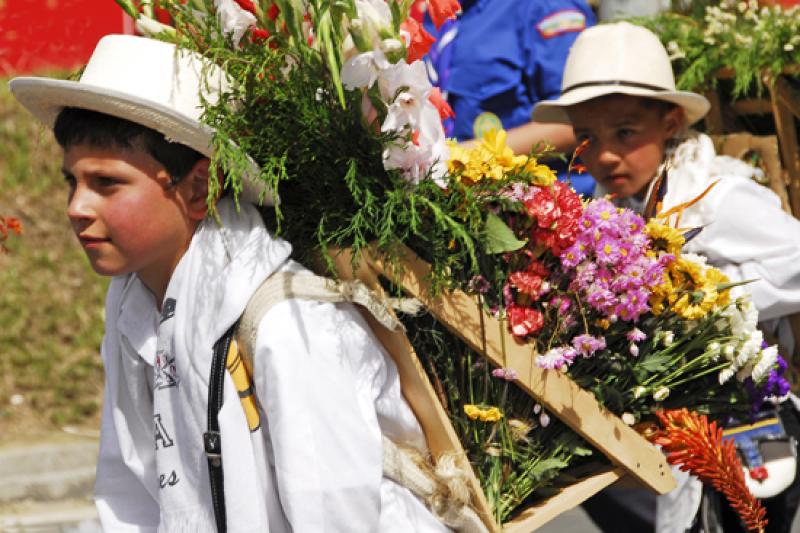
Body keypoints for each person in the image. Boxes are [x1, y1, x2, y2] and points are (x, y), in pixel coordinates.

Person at [9, 34, 453, 532]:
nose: (77, 208)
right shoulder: (133, 306)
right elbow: (129, 489)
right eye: (73, 181)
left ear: (198, 188)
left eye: (107, 183)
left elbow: (335, 513)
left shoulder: (289, 324)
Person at [533, 21, 800, 533]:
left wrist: (703, 299)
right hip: (693, 442)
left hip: (756, 426)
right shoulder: (627, 210)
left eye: (625, 132)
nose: (604, 154)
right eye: (587, 137)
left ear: (671, 123)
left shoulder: (717, 197)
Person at [423, 0, 597, 196]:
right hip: (445, 202)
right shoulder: (431, 15)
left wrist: (462, 157)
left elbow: (578, 121)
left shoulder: (544, 7)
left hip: (536, 205)